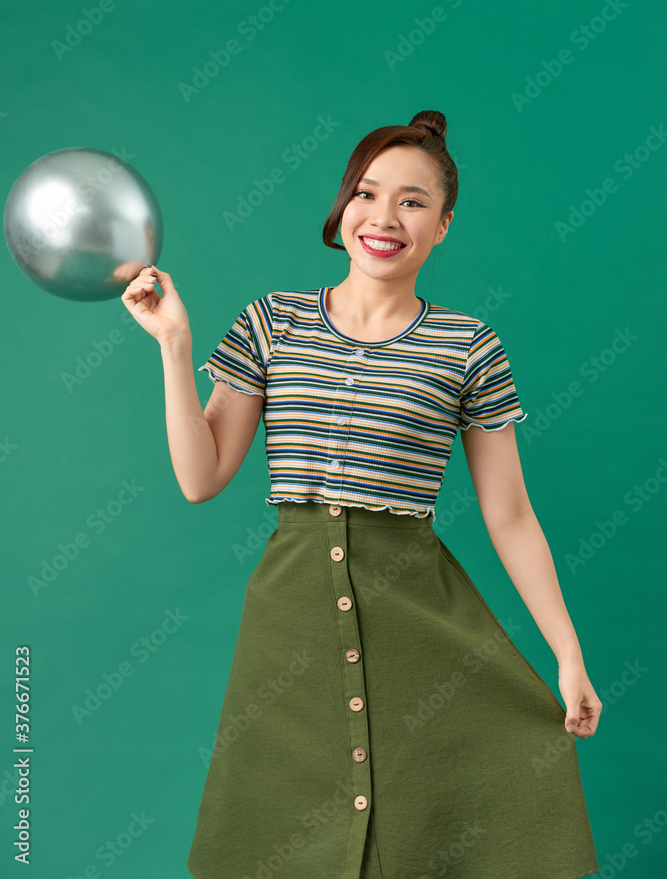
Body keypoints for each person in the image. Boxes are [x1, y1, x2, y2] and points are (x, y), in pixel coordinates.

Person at [121, 109, 602, 879]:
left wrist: (567, 653)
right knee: (279, 837)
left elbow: (507, 512)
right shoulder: (271, 322)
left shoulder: (466, 346)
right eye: (367, 194)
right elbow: (200, 477)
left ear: (443, 225)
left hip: (417, 617)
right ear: (342, 207)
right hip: (290, 628)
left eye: (412, 202)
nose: (384, 218)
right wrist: (174, 345)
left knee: (438, 828)